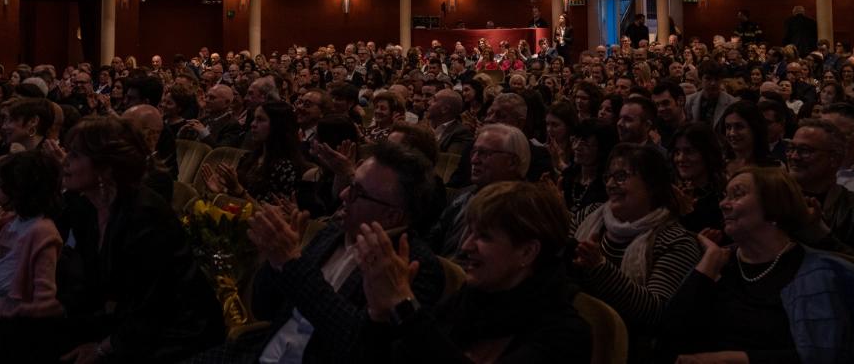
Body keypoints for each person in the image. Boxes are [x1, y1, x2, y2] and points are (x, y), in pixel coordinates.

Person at [0, 117, 223, 363]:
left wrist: (102, 347)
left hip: (173, 331)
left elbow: (154, 306)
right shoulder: (84, 205)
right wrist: (61, 307)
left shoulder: (145, 214)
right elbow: (91, 281)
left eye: (76, 155)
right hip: (126, 316)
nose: (65, 161)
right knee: (13, 328)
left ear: (106, 168)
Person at [214, 141, 445, 363]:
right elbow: (264, 308)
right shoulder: (333, 233)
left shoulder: (415, 266)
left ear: (392, 216)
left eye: (357, 192)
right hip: (263, 351)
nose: (343, 195)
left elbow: (358, 346)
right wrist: (275, 261)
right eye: (350, 184)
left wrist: (292, 264)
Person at [660, 166, 854, 364]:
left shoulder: (823, 273)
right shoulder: (719, 263)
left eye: (736, 195)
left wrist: (738, 359)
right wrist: (706, 264)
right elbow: (666, 339)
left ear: (774, 206)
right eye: (724, 196)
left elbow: (827, 356)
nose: (723, 204)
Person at [357, 182, 592, 364]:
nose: (466, 246)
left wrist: (403, 304)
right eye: (469, 233)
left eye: (484, 237)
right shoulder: (471, 299)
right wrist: (379, 312)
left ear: (527, 252)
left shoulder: (565, 334)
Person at [571, 144, 701, 355]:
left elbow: (657, 313)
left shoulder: (675, 240)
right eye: (609, 177)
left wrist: (600, 268)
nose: (611, 184)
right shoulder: (589, 215)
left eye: (621, 176)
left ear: (651, 185)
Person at [0, 151, 63, 364]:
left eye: (2, 186)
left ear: (20, 191)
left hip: (12, 307)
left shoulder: (42, 231)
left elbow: (45, 288)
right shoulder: (11, 220)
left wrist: (27, 312)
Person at [786, 119, 854, 272]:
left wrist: (820, 234)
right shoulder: (770, 197)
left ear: (834, 159)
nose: (794, 156)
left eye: (805, 150)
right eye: (791, 148)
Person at [430, 124, 529, 259]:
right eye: (474, 152)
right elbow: (433, 239)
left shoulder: (524, 209)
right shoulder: (465, 196)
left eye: (484, 153)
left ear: (512, 162)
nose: (474, 160)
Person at [201, 101, 307, 203]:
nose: (253, 124)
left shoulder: (287, 167)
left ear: (278, 125)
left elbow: (272, 213)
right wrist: (222, 191)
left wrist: (238, 190)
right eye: (254, 119)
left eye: (260, 120)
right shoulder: (249, 157)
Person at [671, 122, 727, 232]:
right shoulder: (674, 193)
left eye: (689, 151)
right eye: (677, 152)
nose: (680, 159)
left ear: (707, 154)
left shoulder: (723, 197)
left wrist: (687, 212)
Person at [560, 120, 616, 213]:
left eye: (585, 144)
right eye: (576, 140)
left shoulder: (604, 187)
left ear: (602, 150)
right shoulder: (569, 176)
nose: (577, 147)